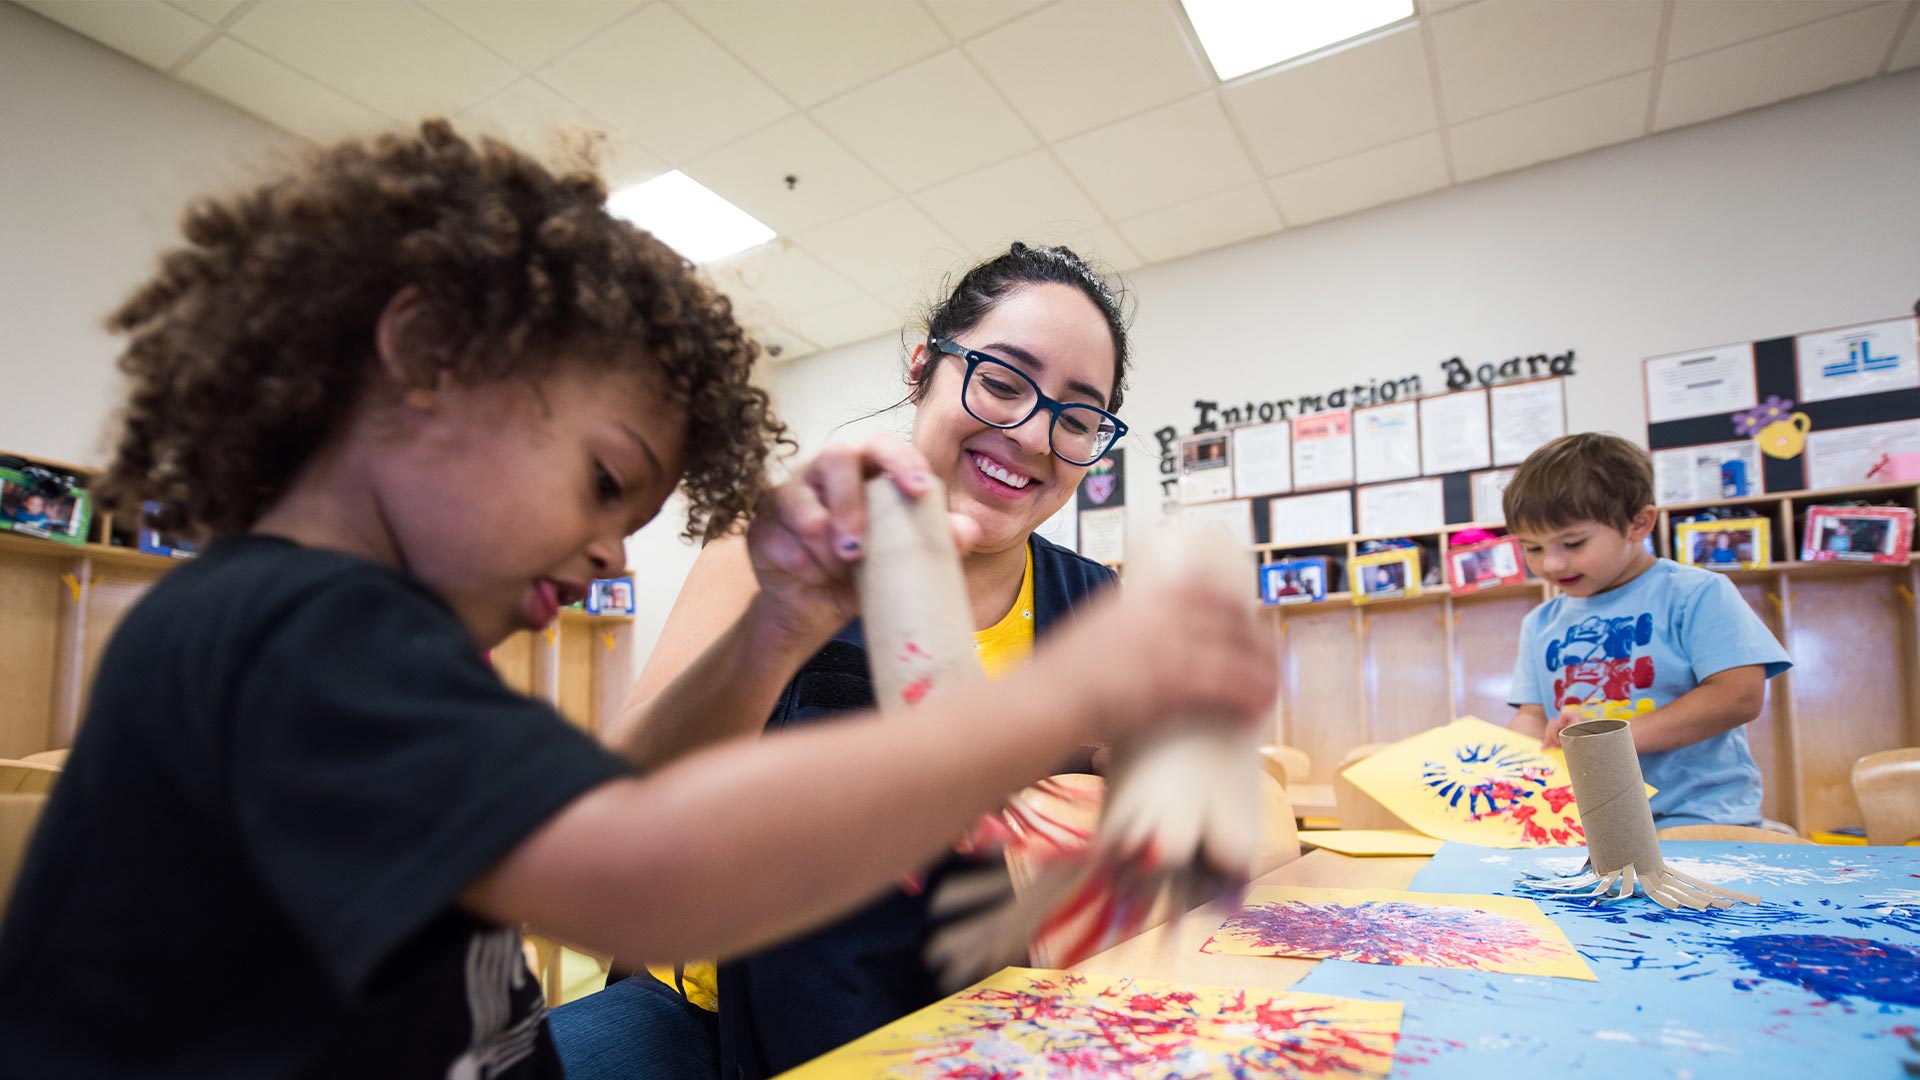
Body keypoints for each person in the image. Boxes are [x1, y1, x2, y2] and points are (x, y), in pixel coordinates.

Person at [0, 122, 1281, 1077]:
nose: (615, 559)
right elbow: (640, 875)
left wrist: (780, 625)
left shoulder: (383, 646)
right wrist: (1057, 701)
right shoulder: (302, 634)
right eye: (606, 483)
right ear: (427, 357)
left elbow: (576, 850)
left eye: (1078, 415)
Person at [569, 243, 1149, 1079]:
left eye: (1078, 418)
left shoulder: (1096, 609)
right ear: (923, 369)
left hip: (971, 1026)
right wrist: (775, 630)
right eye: (1000, 381)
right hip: (722, 1021)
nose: (1032, 435)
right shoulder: (777, 550)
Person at [1503, 433, 1790, 827]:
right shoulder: (1539, 622)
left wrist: (1609, 740)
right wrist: (1510, 758)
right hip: (1584, 823)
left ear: (1638, 524)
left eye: (1573, 543)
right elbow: (1532, 716)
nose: (1551, 564)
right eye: (1533, 548)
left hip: (1696, 817)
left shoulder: (1696, 593)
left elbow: (1739, 696)